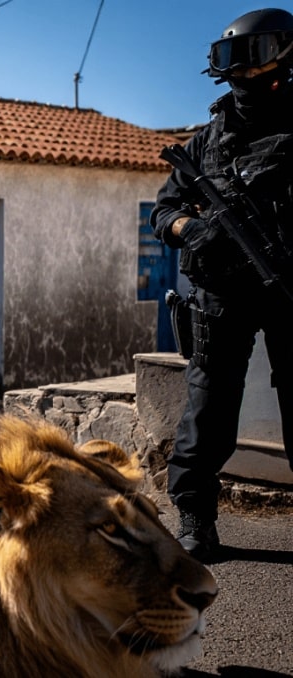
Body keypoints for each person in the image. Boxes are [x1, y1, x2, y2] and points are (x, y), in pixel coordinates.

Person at [150, 8, 293, 562]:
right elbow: (163, 211)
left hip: (286, 285)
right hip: (221, 292)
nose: (244, 77)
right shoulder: (206, 141)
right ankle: (195, 517)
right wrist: (193, 228)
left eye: (255, 64)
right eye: (235, 66)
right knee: (208, 405)